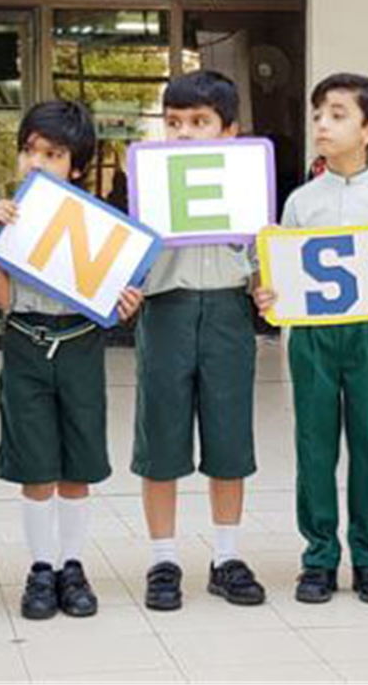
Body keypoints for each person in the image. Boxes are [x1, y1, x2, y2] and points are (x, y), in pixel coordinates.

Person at [255, 73, 368, 604]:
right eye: (318, 115)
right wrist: (267, 292)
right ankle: (319, 556)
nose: (322, 125)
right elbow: (280, 273)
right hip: (311, 336)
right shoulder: (300, 201)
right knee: (314, 445)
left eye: (337, 115)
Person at [0, 101, 142, 620]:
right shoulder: (6, 216)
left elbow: (116, 294)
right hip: (24, 341)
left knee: (78, 462)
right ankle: (40, 566)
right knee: (35, 463)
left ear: (76, 167)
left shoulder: (99, 227)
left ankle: (72, 565)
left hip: (79, 343)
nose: (36, 162)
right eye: (29, 150)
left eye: (52, 154)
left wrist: (125, 302)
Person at [133, 70, 266, 611]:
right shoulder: (147, 183)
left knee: (229, 436)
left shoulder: (251, 186)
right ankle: (163, 559)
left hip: (229, 312)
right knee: (160, 437)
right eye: (174, 122)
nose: (184, 132)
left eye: (199, 121)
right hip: (167, 309)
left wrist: (267, 287)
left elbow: (262, 258)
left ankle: (226, 556)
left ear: (229, 130)